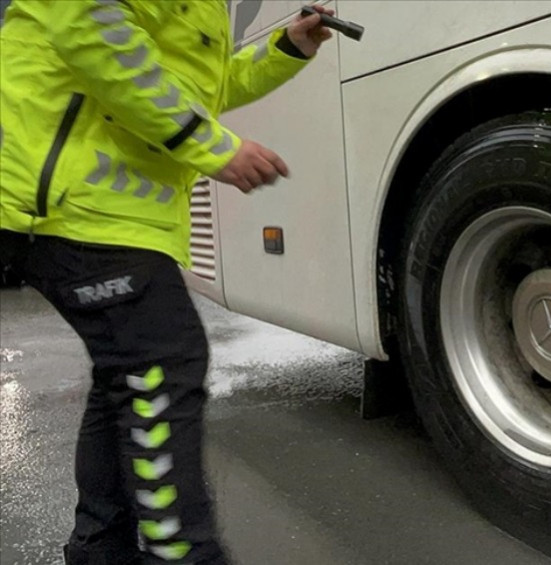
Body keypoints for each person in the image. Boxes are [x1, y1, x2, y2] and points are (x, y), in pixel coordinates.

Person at [0, 1, 335, 563]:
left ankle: (99, 549)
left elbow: (201, 86)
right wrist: (214, 149)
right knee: (165, 360)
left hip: (102, 211)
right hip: (68, 203)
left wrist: (287, 49)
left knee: (126, 377)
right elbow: (91, 27)